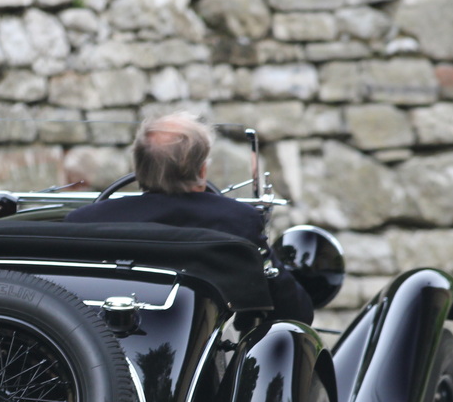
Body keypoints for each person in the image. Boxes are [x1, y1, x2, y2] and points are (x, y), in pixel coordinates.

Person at [65, 112, 314, 323]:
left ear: (139, 168)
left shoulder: (85, 221)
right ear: (202, 170)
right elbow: (295, 311)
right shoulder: (237, 220)